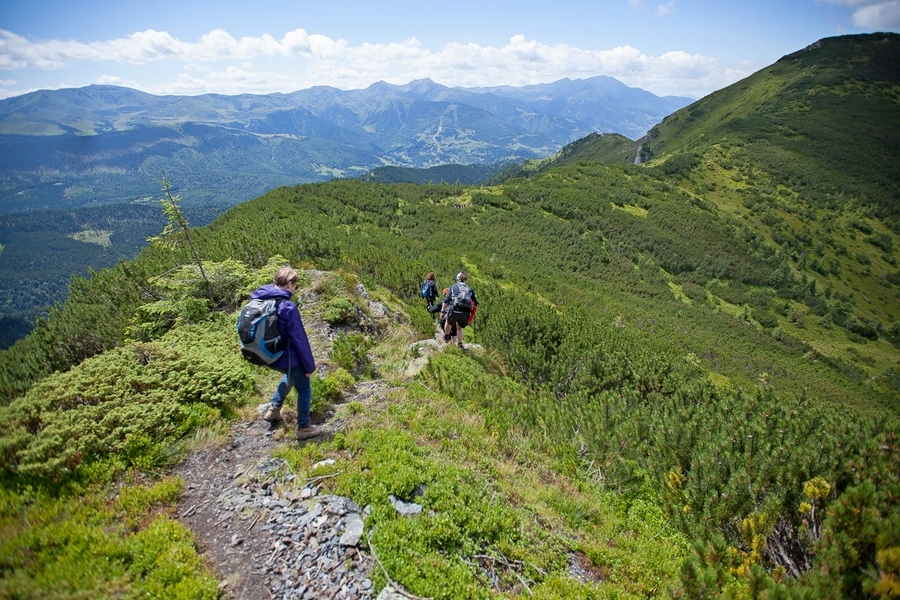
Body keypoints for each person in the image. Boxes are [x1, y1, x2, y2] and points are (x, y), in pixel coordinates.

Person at [255, 266, 321, 440]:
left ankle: (273, 411)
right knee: (304, 388)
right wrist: (309, 366)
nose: (295, 289)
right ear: (290, 283)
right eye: (296, 286)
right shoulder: (287, 307)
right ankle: (304, 428)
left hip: (266, 354)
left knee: (290, 376)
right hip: (287, 356)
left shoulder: (262, 299)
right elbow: (299, 339)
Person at [442, 272, 477, 347]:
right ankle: (460, 344)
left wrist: (442, 312)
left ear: (457, 279)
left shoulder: (453, 287)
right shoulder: (469, 289)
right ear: (465, 280)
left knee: (448, 322)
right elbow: (475, 302)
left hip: (454, 310)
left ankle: (447, 338)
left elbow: (446, 300)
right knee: (459, 327)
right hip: (465, 313)